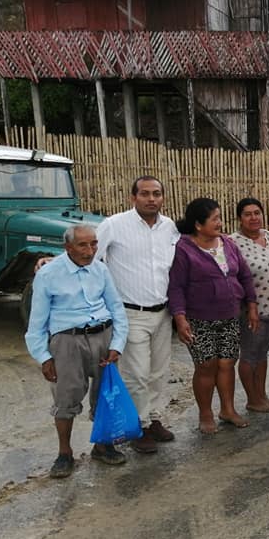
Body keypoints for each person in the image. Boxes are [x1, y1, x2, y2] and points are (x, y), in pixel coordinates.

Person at [25, 224, 130, 478]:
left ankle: (102, 446)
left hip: (103, 336)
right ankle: (64, 453)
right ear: (67, 247)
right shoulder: (48, 274)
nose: (90, 250)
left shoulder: (100, 269)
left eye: (94, 244)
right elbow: (36, 323)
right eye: (83, 245)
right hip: (67, 342)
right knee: (65, 398)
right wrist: (44, 357)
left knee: (106, 394)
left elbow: (116, 308)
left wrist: (117, 344)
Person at [94, 175, 179, 455]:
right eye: (144, 194)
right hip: (130, 313)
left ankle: (153, 418)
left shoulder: (169, 227)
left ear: (162, 197)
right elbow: (90, 257)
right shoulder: (114, 225)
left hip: (162, 312)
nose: (151, 199)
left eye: (156, 194)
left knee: (158, 372)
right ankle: (138, 426)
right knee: (137, 374)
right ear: (133, 197)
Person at [168, 198, 259, 434]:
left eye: (219, 218)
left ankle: (227, 410)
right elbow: (176, 287)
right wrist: (180, 318)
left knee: (227, 363)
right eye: (214, 219)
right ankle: (205, 414)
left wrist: (251, 305)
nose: (220, 223)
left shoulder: (227, 244)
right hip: (199, 319)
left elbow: (245, 276)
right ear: (198, 225)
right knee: (206, 365)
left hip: (229, 315)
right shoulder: (184, 249)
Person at [231, 197, 269, 414]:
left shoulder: (268, 236)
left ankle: (261, 394)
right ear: (239, 218)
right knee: (249, 354)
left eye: (257, 213)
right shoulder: (233, 242)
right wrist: (248, 305)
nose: (253, 218)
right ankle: (252, 399)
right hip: (251, 311)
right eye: (247, 214)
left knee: (262, 353)